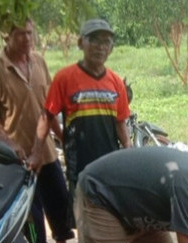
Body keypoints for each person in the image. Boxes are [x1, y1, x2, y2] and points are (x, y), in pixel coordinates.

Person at [0, 17, 75, 243]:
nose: (27, 39)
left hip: (46, 150)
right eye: (20, 34)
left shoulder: (40, 62)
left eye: (30, 33)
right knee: (30, 214)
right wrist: (10, 145)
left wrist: (63, 137)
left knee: (59, 199)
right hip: (18, 158)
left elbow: (51, 107)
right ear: (6, 36)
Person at [28, 18, 130, 199]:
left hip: (110, 163)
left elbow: (120, 123)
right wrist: (36, 154)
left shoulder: (116, 82)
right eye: (94, 40)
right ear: (81, 43)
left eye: (105, 42)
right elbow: (47, 117)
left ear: (111, 48)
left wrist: (130, 150)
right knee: (82, 215)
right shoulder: (64, 78)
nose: (100, 47)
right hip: (79, 164)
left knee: (110, 217)